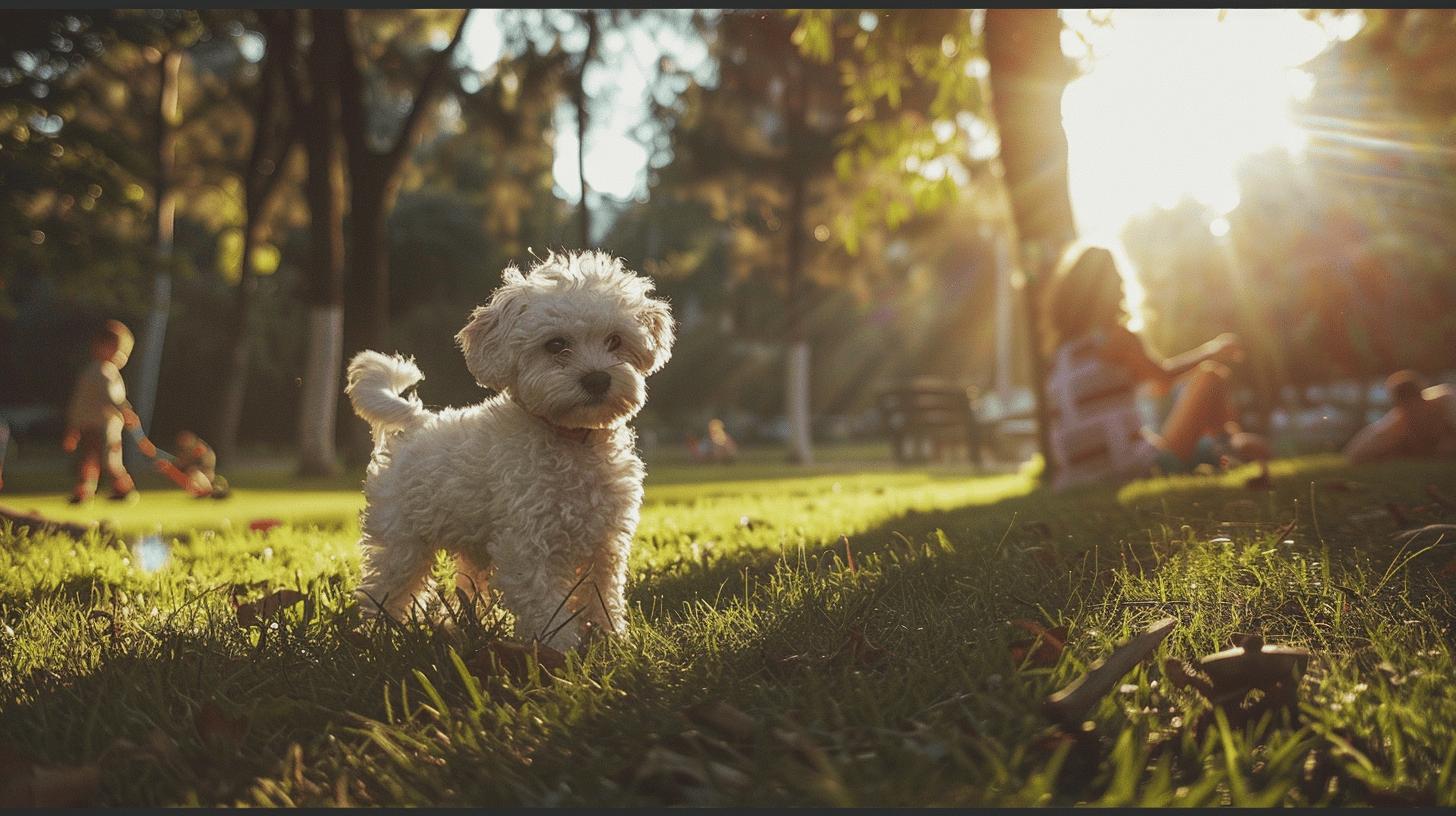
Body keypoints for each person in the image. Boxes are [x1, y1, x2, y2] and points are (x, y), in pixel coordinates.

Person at [1041, 243, 1271, 492]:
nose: (1121, 285)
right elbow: (1163, 380)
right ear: (1103, 288)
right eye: (1116, 278)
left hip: (1074, 480)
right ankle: (1229, 449)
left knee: (1211, 448)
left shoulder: (1060, 354)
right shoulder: (1114, 337)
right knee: (1211, 378)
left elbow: (1153, 388)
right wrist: (1213, 350)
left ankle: (1226, 450)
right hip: (1133, 469)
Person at [63, 320, 140, 503]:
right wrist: (126, 412)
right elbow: (111, 398)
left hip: (100, 426)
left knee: (97, 460)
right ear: (102, 347)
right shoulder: (102, 372)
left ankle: (104, 490)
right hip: (99, 426)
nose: (122, 357)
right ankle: (97, 491)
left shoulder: (99, 372)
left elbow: (81, 403)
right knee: (100, 460)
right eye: (119, 351)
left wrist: (72, 427)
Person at [1343, 370, 1456, 464]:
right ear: (1400, 407)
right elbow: (1354, 454)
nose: (1414, 414)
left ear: (1422, 398)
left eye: (1415, 406)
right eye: (1407, 409)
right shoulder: (1399, 420)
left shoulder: (1447, 401)